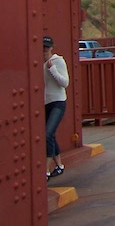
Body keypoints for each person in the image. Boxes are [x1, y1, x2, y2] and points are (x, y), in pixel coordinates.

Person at [43, 35, 70, 181]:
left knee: (47, 134)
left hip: (58, 102)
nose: (44, 49)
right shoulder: (37, 62)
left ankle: (46, 170)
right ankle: (59, 165)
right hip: (45, 103)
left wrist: (52, 69)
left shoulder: (57, 61)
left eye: (47, 46)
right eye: (42, 46)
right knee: (51, 135)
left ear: (52, 47)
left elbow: (65, 83)